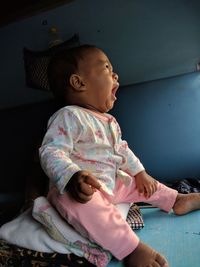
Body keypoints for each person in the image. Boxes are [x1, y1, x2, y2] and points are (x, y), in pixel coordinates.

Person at [39, 45, 200, 267]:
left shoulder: (109, 121)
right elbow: (51, 150)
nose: (115, 75)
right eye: (106, 67)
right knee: (74, 201)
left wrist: (140, 172)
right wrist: (73, 176)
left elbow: (122, 150)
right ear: (79, 83)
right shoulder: (68, 116)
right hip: (84, 189)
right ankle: (130, 248)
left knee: (137, 182)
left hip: (112, 181)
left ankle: (175, 199)